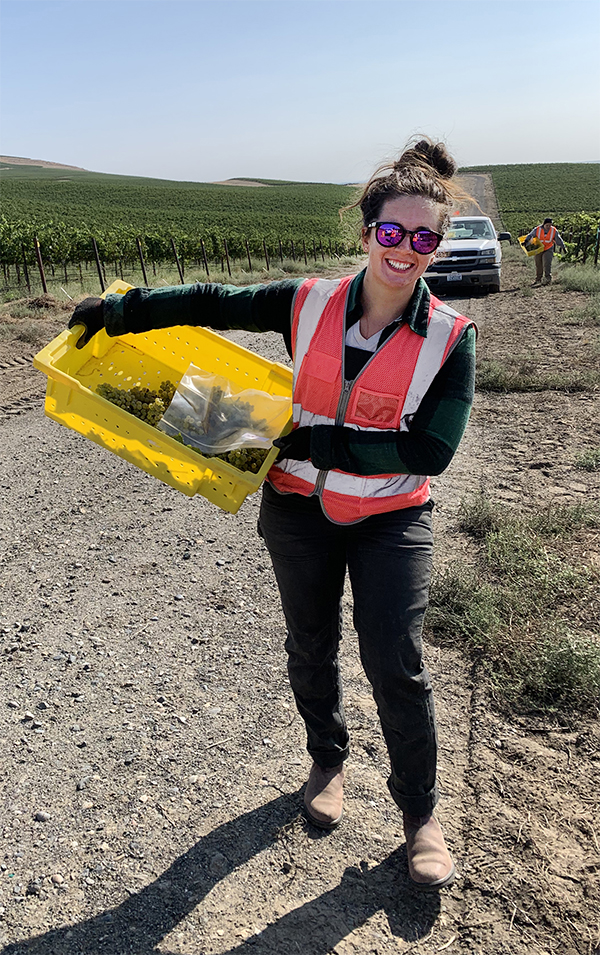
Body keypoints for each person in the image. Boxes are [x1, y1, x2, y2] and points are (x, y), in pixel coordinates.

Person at [68, 138, 476, 892]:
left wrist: (317, 438)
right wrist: (120, 314)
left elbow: (432, 449)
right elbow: (216, 301)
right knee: (310, 643)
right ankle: (327, 761)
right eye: (392, 232)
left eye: (425, 238)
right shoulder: (310, 300)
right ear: (367, 233)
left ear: (437, 245)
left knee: (396, 659)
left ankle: (420, 814)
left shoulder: (451, 337)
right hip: (297, 508)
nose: (406, 250)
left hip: (391, 519)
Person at [525, 217, 566, 285]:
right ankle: (538, 279)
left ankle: (548, 280)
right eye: (547, 225)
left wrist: (563, 247)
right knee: (538, 264)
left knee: (547, 264)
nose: (548, 227)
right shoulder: (537, 229)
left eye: (550, 225)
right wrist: (526, 241)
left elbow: (558, 239)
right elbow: (530, 235)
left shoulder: (554, 230)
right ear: (543, 224)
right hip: (538, 249)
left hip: (548, 249)